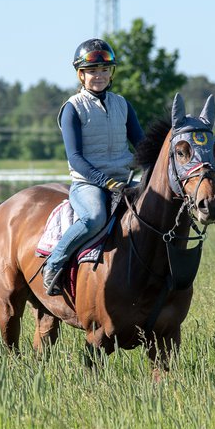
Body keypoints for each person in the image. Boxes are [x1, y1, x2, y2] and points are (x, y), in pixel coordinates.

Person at [43, 38, 145, 296]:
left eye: (104, 70)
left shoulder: (123, 104)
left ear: (111, 73)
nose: (98, 76)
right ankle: (54, 263)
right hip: (88, 183)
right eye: (92, 71)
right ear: (81, 74)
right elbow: (75, 157)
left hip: (123, 179)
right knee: (94, 218)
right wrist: (105, 181)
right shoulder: (72, 108)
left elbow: (142, 145)